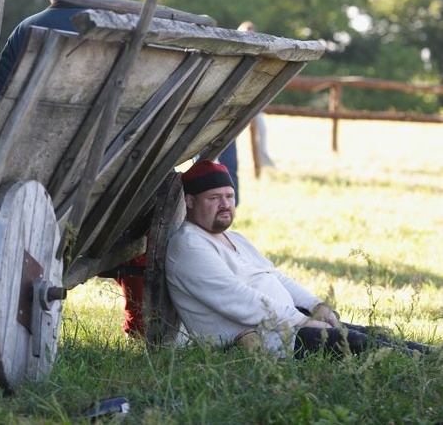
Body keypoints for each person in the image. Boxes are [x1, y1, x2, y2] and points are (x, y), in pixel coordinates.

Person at [166, 159, 436, 358]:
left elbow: (276, 277)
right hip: (261, 339)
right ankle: (421, 361)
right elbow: (239, 299)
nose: (225, 204)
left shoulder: (234, 237)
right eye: (214, 198)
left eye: (229, 196)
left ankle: (432, 354)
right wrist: (303, 321)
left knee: (372, 333)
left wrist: (315, 305)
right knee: (356, 342)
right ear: (190, 201)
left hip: (286, 323)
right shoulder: (189, 245)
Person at [238, 20, 275, 170]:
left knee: (261, 128)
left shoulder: (260, 56)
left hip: (251, 102)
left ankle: (264, 162)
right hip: (230, 103)